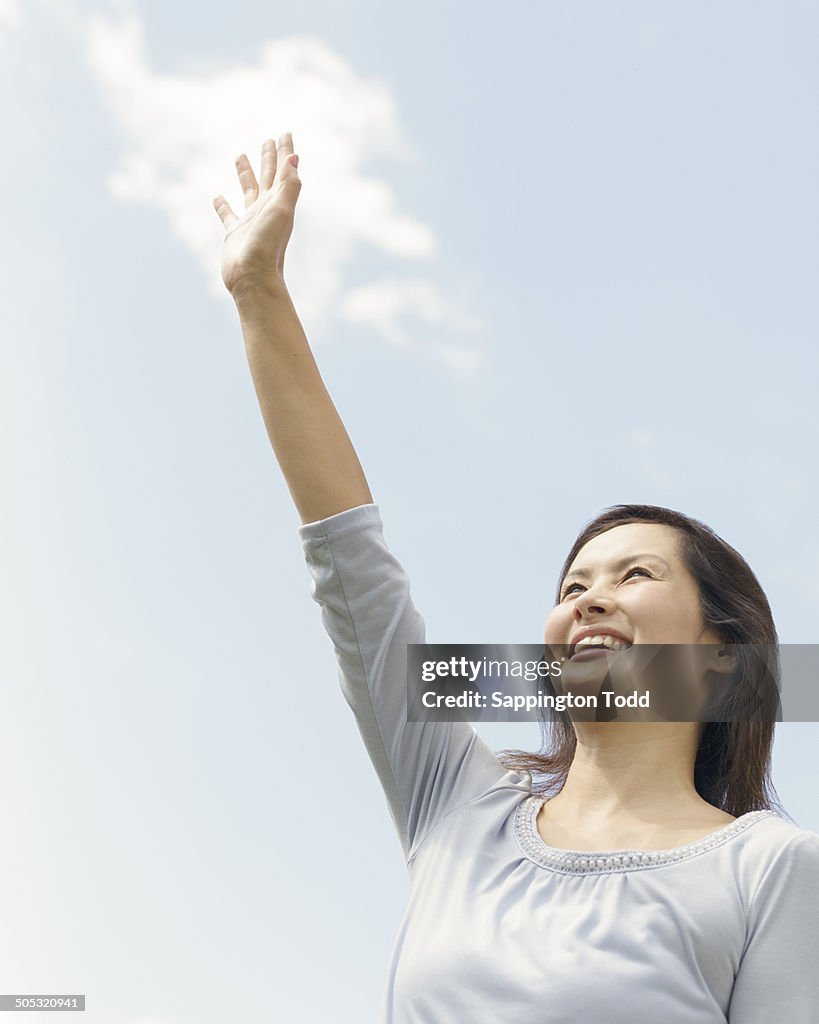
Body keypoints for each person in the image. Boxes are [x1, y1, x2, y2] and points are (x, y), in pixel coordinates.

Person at [212, 133, 819, 1023]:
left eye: (633, 575)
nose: (590, 601)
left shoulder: (768, 867)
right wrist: (257, 292)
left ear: (721, 659)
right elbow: (353, 567)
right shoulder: (457, 800)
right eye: (572, 588)